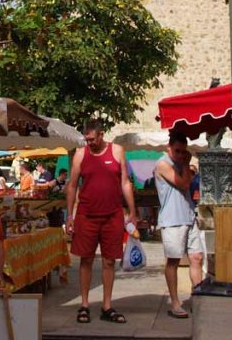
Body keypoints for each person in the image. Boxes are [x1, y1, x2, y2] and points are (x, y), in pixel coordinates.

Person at [65, 120, 137, 325]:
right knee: (85, 259)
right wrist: (69, 216)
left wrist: (132, 211)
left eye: (93, 139)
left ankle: (107, 305)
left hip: (112, 215)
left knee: (109, 261)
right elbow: (71, 186)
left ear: (101, 134)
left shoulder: (117, 151)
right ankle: (85, 304)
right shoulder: (81, 154)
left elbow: (125, 182)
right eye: (87, 140)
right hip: (86, 215)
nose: (90, 143)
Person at [154, 133, 204, 319]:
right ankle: (175, 302)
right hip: (173, 219)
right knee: (173, 261)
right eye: (177, 151)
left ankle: (197, 297)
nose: (181, 155)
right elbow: (183, 184)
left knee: (197, 257)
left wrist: (186, 166)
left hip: (188, 215)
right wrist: (186, 165)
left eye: (183, 152)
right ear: (169, 147)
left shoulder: (179, 164)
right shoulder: (163, 164)